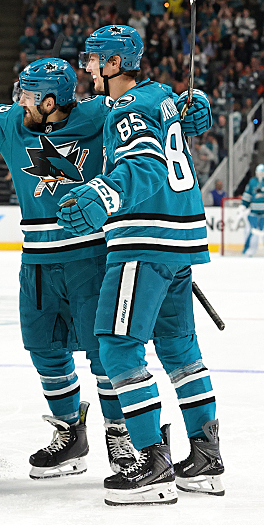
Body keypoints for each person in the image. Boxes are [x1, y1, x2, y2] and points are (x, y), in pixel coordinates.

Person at [0, 53, 211, 480]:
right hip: (37, 262)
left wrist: (186, 104)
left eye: (27, 94)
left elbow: (144, 102)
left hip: (91, 258)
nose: (18, 100)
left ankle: (120, 434)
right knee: (45, 350)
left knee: (104, 354)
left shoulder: (99, 113)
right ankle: (70, 433)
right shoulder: (11, 123)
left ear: (50, 101)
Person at [58, 25, 224, 506]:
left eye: (93, 59)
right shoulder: (160, 96)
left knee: (117, 344)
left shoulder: (128, 108)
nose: (87, 67)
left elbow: (146, 165)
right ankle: (206, 458)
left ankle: (153, 463)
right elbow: (175, 120)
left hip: (144, 239)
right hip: (178, 238)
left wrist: (104, 193)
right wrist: (195, 102)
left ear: (114, 64)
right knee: (180, 350)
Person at [239, 163, 264, 256]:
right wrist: (243, 205)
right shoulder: (252, 181)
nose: (260, 174)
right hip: (253, 212)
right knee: (251, 232)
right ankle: (248, 251)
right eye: (258, 172)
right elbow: (247, 194)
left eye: (261, 172)